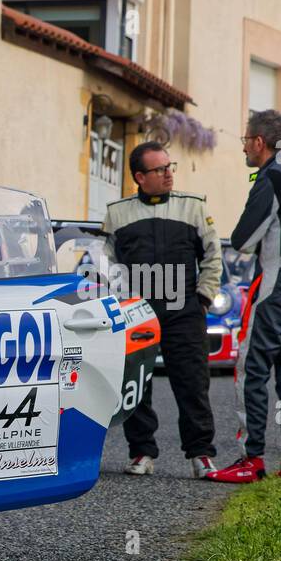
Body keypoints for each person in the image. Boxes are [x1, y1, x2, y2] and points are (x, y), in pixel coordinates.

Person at [205, 110, 281, 483]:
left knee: (249, 368)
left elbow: (242, 239)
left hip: (277, 283)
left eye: (244, 141)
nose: (243, 149)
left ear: (259, 142)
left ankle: (250, 458)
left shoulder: (272, 177)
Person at [103, 141, 222, 478]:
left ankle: (201, 454)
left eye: (171, 167)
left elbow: (213, 255)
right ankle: (141, 452)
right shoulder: (117, 213)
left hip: (183, 308)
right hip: (137, 311)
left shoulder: (194, 207)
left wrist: (202, 298)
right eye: (159, 169)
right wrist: (120, 302)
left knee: (192, 382)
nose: (169, 174)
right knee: (136, 382)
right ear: (140, 177)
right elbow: (107, 261)